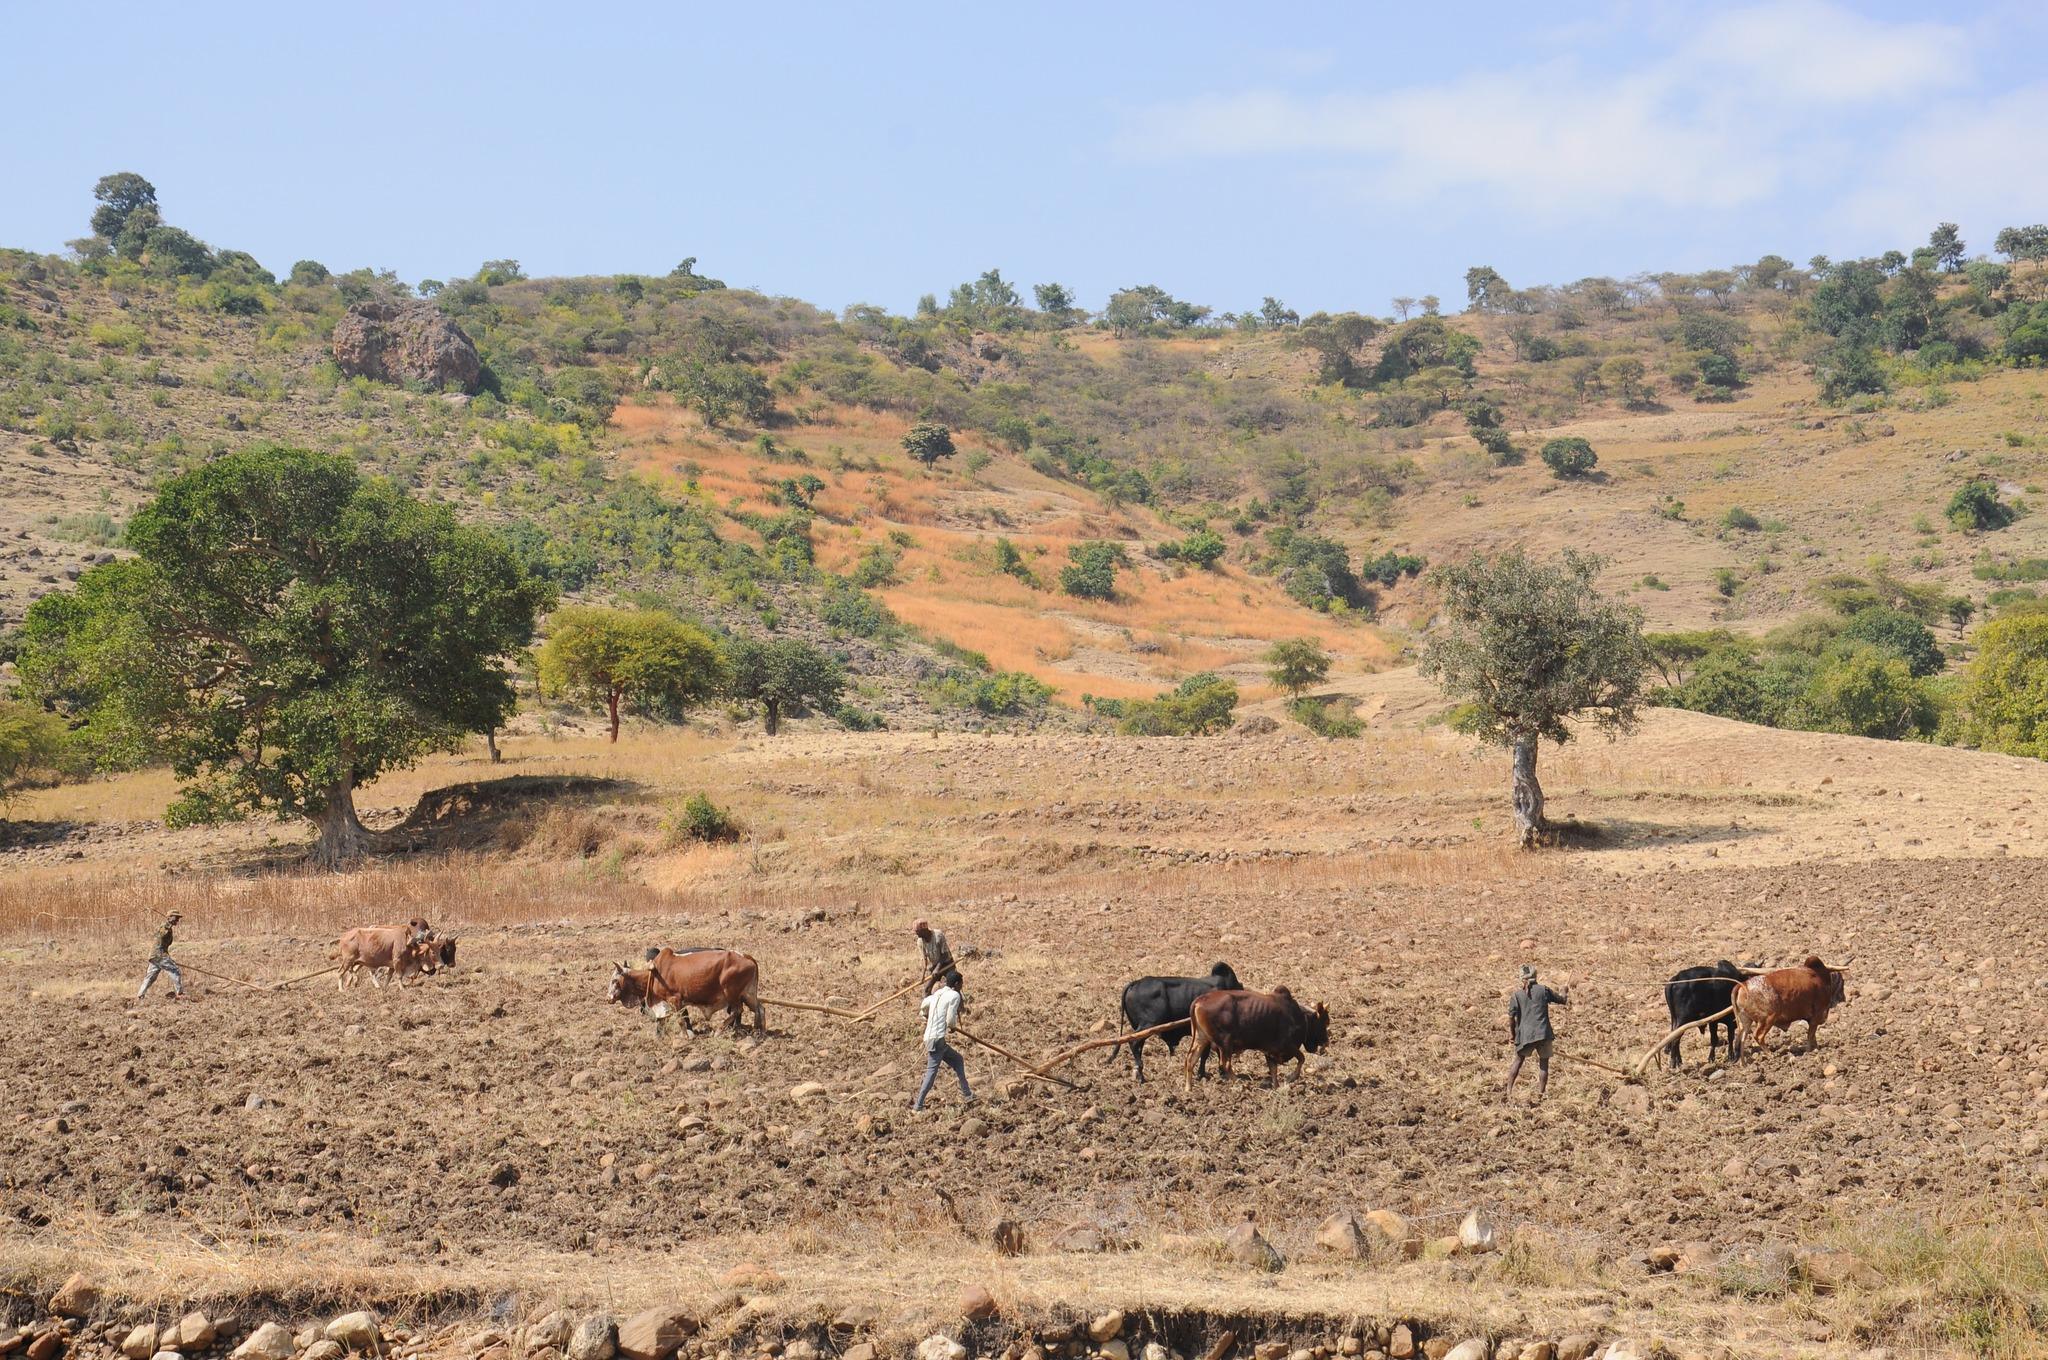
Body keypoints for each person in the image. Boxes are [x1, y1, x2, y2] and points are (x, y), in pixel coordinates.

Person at [912, 969, 974, 1111]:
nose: (962, 987)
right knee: (931, 1072)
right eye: (961, 984)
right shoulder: (954, 995)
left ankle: (968, 1094)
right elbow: (951, 1017)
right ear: (957, 984)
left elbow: (924, 1003)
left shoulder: (937, 993)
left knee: (958, 1060)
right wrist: (952, 1027)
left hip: (930, 1037)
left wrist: (924, 1014)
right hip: (937, 1039)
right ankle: (918, 1105)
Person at [1504, 964, 1567, 1101]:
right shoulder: (1543, 990)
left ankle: (1508, 1091)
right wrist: (1564, 991)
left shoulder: (1516, 995)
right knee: (1543, 1065)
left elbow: (1511, 1018)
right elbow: (1562, 1000)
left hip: (1526, 1035)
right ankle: (1541, 1094)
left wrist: (1512, 1035)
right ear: (1535, 976)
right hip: (1543, 1033)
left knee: (1518, 1061)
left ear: (1522, 978)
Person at [136, 912, 190, 1002]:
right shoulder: (164, 926)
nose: (177, 920)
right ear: (170, 917)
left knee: (150, 977)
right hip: (159, 955)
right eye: (176, 918)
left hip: (155, 955)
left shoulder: (168, 927)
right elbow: (162, 934)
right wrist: (168, 924)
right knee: (175, 970)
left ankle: (140, 995)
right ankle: (180, 993)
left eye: (178, 919)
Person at [912, 918, 955, 994]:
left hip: (947, 964)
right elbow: (924, 960)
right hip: (935, 966)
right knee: (927, 989)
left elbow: (945, 954)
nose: (916, 934)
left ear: (924, 930)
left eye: (918, 931)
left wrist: (937, 969)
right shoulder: (920, 941)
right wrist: (923, 976)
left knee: (952, 985)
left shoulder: (938, 935)